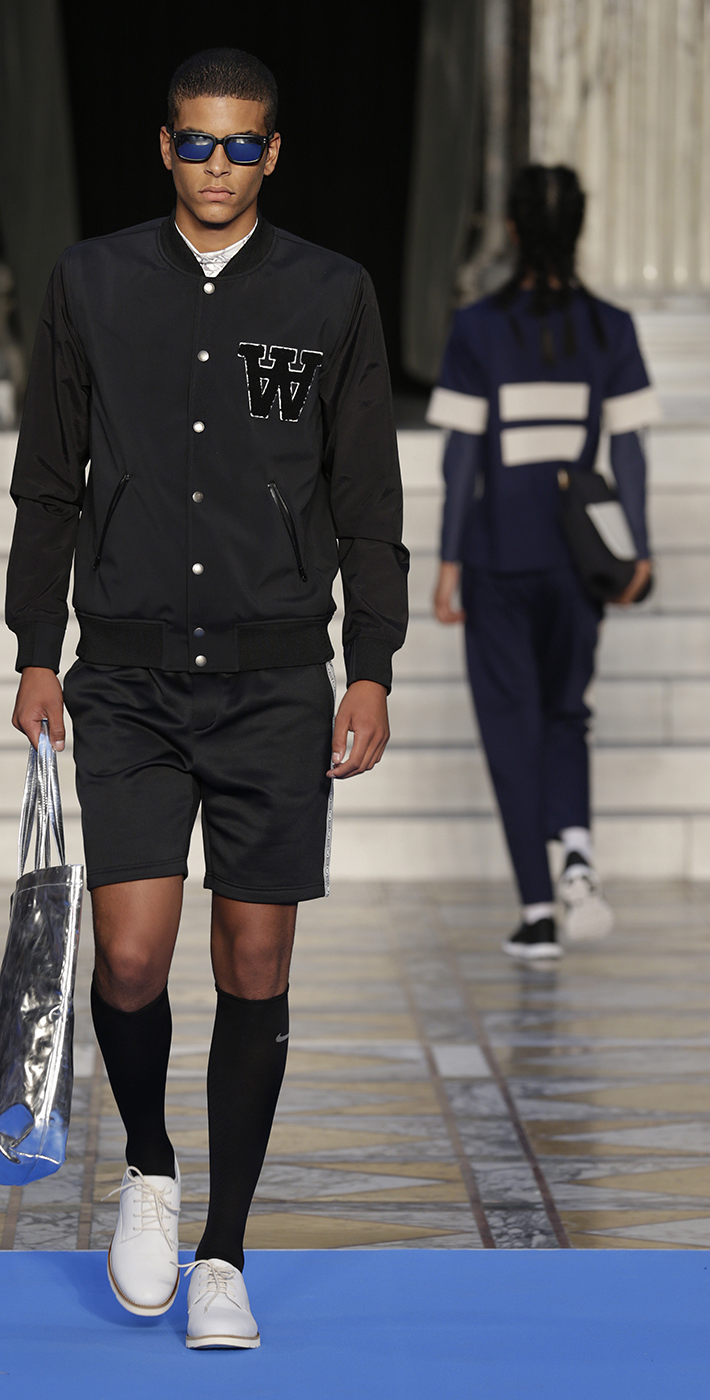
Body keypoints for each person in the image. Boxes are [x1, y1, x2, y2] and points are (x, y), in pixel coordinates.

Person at [5, 48, 408, 1348]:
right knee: (128, 957)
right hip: (125, 674)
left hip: (274, 680)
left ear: (273, 153)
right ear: (164, 146)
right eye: (196, 142)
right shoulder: (91, 281)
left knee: (254, 959)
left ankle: (225, 1249)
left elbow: (368, 499)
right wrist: (34, 647)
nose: (217, 165)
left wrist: (372, 663)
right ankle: (150, 1166)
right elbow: (49, 478)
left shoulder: (330, 294)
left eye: (241, 145)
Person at [428, 164, 658, 961]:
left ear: (512, 228)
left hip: (498, 555)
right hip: (577, 561)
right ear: (579, 227)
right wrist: (634, 550)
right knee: (565, 713)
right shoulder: (611, 327)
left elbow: (461, 461)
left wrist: (448, 561)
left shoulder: (477, 327)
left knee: (510, 726)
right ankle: (578, 856)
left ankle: (536, 911)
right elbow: (628, 454)